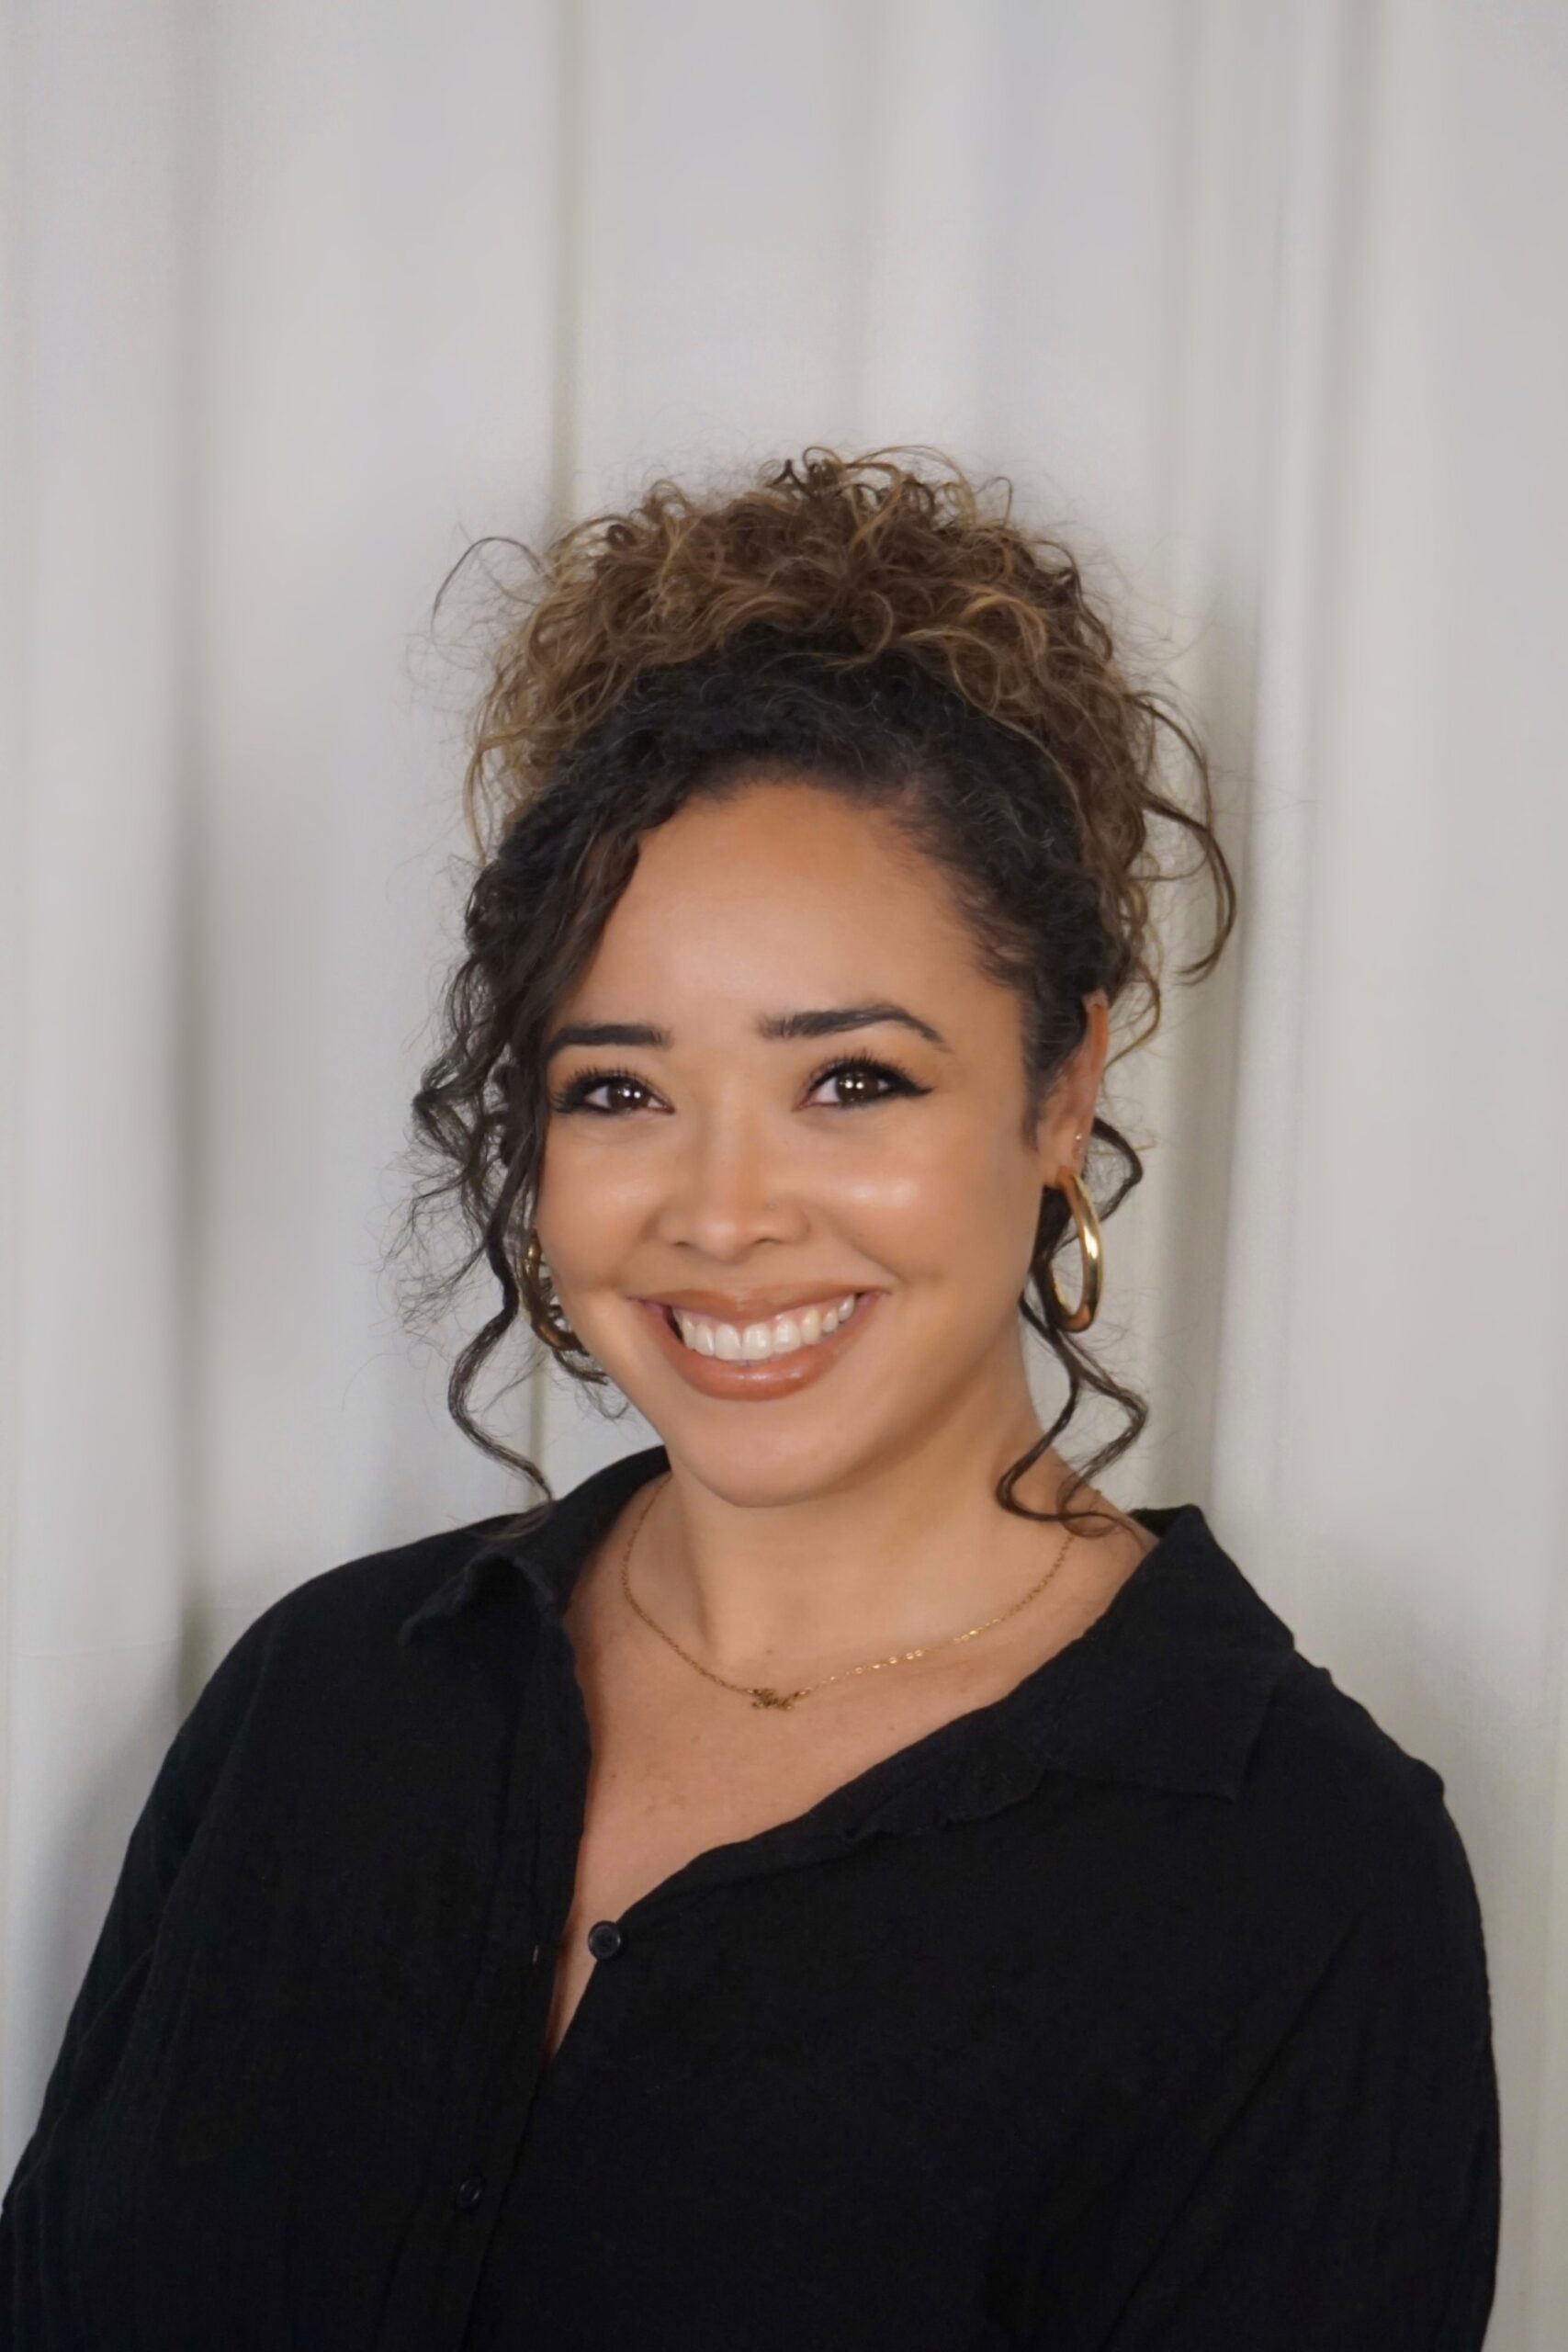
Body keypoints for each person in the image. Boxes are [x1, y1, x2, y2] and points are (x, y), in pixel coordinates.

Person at [0, 449, 1499, 2348]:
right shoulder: (324, 1696)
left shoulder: (1293, 1876)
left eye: (851, 1079)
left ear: (1059, 1085)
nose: (720, 1212)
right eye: (617, 1086)